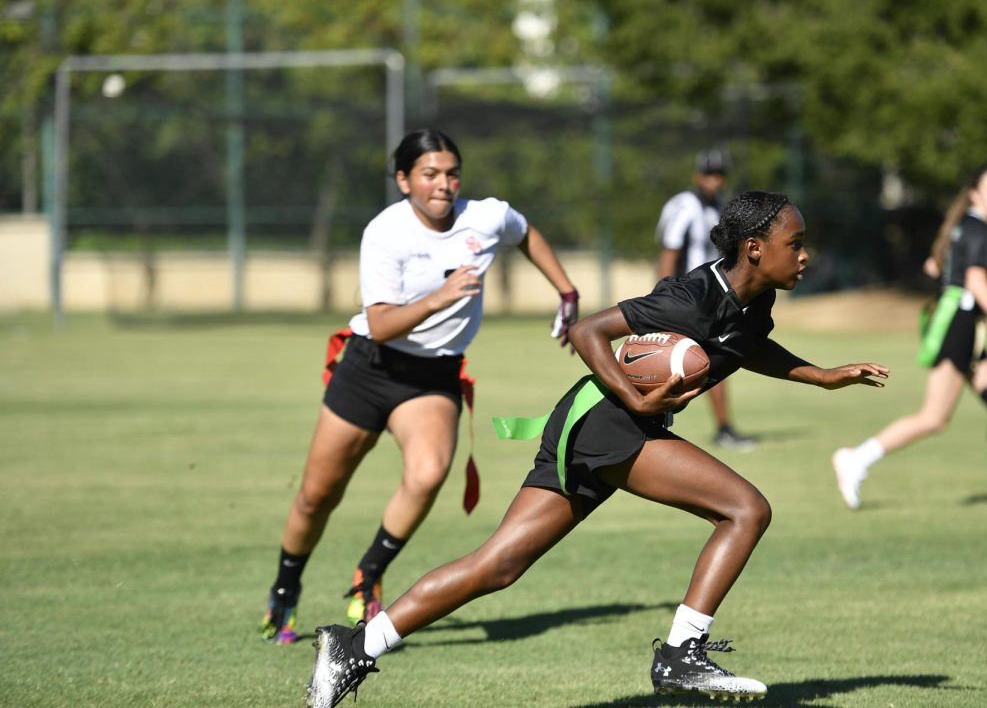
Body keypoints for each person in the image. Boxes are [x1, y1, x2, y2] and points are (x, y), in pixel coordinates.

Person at [302, 191, 890, 707]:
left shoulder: (755, 300)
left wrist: (823, 375)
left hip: (592, 427)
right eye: (797, 241)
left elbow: (747, 346)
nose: (805, 254)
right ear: (756, 247)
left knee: (497, 566)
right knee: (745, 509)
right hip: (608, 422)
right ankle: (681, 656)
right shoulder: (690, 297)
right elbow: (588, 332)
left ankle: (352, 647)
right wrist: (636, 406)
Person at [259, 128, 580, 644]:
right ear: (404, 179)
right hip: (369, 367)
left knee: (429, 474)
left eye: (452, 173)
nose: (444, 184)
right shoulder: (385, 233)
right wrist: (442, 295)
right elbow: (381, 324)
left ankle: (366, 577)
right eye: (430, 174)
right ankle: (284, 590)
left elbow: (527, 235)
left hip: (433, 375)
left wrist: (566, 291)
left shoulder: (487, 216)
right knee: (317, 497)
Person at [832, 165, 987, 511]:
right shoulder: (978, 228)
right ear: (975, 193)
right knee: (933, 418)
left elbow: (933, 267)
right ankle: (855, 459)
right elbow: (976, 282)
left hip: (958, 323)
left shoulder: (962, 225)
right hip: (959, 327)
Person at [656, 148, 757, 450]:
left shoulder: (718, 209)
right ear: (697, 176)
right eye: (710, 174)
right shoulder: (685, 206)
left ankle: (723, 428)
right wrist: (664, 296)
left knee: (713, 359)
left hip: (711, 297)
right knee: (667, 362)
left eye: (720, 174)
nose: (715, 180)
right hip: (686, 296)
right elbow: (669, 251)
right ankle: (649, 423)